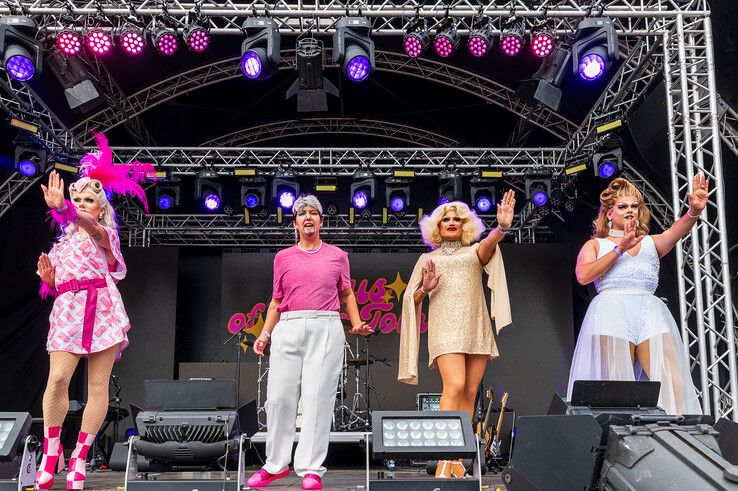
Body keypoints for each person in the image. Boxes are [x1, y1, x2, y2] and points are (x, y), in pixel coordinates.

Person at [34, 134, 152, 490]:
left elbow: (89, 228)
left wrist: (65, 209)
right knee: (58, 380)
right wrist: (50, 279)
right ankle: (51, 452)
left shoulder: (105, 234)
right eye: (77, 199)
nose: (82, 205)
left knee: (97, 386)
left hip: (100, 309)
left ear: (100, 208)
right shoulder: (62, 243)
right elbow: (52, 286)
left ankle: (80, 458)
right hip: (68, 310)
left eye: (89, 201)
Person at [246, 194, 373, 490]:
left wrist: (355, 322)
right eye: (302, 213)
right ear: (295, 223)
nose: (308, 217)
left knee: (318, 399)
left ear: (320, 221)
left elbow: (347, 294)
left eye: (313, 213)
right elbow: (277, 301)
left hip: (325, 324)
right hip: (288, 326)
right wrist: (264, 333)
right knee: (278, 397)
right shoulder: (283, 257)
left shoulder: (338, 255)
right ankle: (276, 464)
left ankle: (311, 469)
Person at [567, 175, 707, 415]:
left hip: (648, 312)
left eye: (634, 206)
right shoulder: (596, 245)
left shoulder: (652, 243)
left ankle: (679, 443)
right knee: (617, 390)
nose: (630, 211)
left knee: (674, 386)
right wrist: (619, 249)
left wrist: (693, 210)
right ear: (609, 213)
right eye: (622, 207)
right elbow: (583, 275)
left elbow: (677, 229)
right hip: (611, 312)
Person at [398, 193, 515, 478]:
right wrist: (425, 288)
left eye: (457, 219)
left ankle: (458, 461)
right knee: (455, 385)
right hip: (445, 328)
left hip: (475, 326)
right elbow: (410, 299)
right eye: (445, 219)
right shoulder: (428, 258)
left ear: (466, 226)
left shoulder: (473, 252)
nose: (451, 222)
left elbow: (489, 245)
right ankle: (443, 459)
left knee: (470, 392)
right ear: (436, 228)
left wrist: (501, 229)